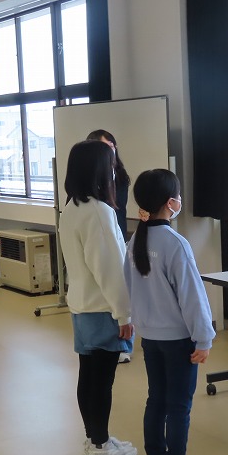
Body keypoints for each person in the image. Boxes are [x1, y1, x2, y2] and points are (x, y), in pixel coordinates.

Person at [123, 169, 215, 455]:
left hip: (150, 338)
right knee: (179, 405)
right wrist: (204, 338)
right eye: (177, 196)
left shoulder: (136, 240)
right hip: (179, 340)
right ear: (170, 203)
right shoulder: (175, 243)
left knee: (157, 400)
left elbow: (129, 286)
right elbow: (192, 297)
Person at [58, 140, 138, 455]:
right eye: (112, 167)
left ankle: (95, 438)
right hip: (103, 307)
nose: (115, 173)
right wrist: (125, 314)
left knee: (89, 375)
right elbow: (110, 270)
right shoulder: (99, 212)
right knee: (102, 380)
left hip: (82, 305)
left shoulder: (71, 208)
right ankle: (101, 445)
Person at [86, 129, 133, 364]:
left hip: (117, 234)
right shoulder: (87, 180)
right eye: (105, 148)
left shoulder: (120, 176)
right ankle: (108, 340)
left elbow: (117, 207)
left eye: (112, 147)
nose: (110, 152)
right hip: (98, 237)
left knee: (121, 286)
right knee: (104, 290)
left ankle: (124, 344)